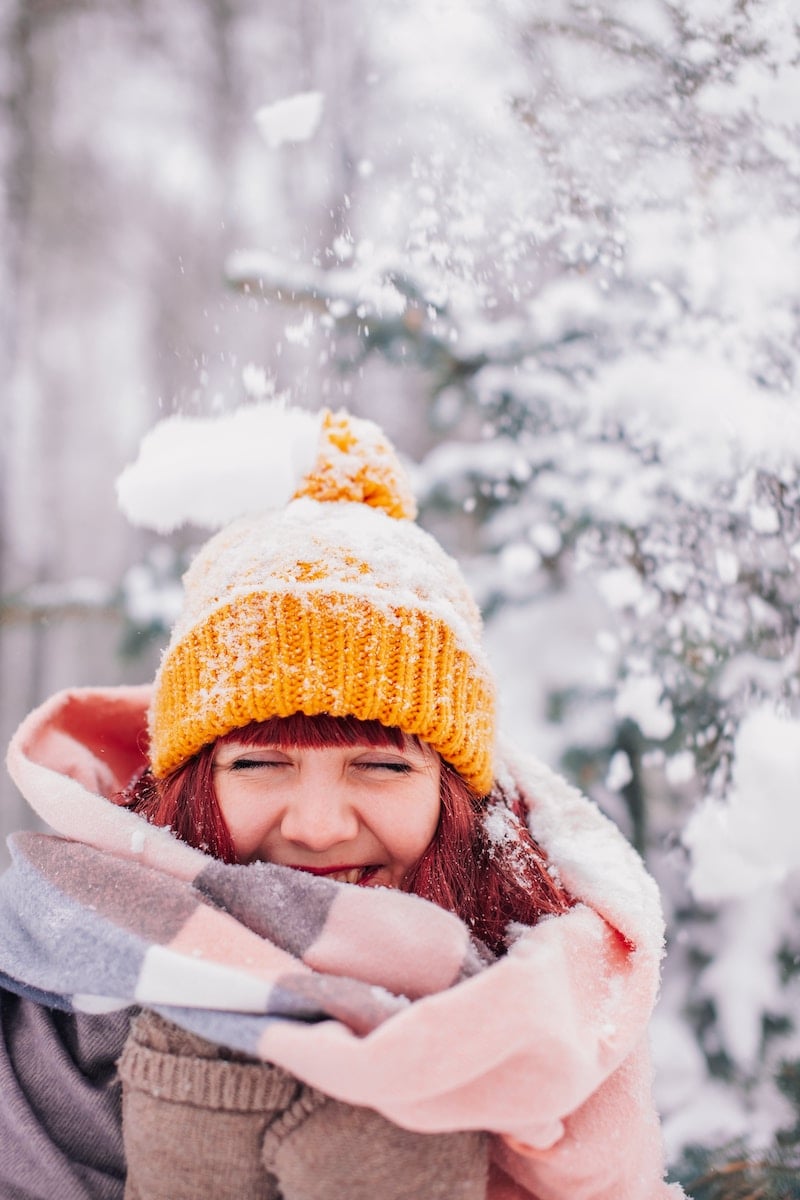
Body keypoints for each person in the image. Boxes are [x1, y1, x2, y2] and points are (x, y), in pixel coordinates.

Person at [0, 405, 682, 1199]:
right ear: (190, 781)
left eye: (380, 769)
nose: (318, 827)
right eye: (259, 762)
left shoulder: (552, 982)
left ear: (453, 795)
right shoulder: (56, 993)